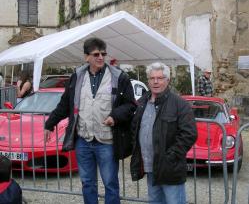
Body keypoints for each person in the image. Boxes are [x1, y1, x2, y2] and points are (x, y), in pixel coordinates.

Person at [44, 37, 136, 204]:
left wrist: (115, 116)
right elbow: (65, 104)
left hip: (106, 141)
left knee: (110, 184)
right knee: (87, 183)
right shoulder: (77, 77)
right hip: (83, 141)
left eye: (103, 54)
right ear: (86, 57)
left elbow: (130, 105)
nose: (100, 57)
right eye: (96, 54)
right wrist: (50, 123)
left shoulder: (119, 77)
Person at [130, 62, 197, 204]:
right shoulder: (142, 103)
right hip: (150, 166)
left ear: (168, 80)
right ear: (147, 80)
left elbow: (189, 134)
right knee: (155, 201)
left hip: (170, 169)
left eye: (160, 78)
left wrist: (170, 157)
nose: (155, 81)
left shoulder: (180, 104)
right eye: (152, 78)